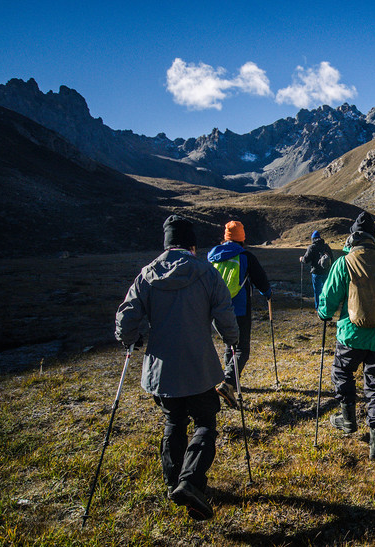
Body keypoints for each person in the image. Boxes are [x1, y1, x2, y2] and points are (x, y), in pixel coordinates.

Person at [114, 215, 239, 521]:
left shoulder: (147, 274)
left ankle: (174, 483)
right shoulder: (206, 272)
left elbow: (125, 319)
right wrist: (232, 341)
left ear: (167, 244)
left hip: (162, 368)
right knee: (206, 422)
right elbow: (225, 315)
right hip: (199, 367)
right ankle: (191, 481)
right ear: (192, 246)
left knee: (174, 421)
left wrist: (132, 340)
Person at [317, 212, 375, 460]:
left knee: (341, 373)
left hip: (350, 335)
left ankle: (347, 419)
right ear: (374, 238)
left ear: (352, 237)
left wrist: (323, 313)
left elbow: (328, 301)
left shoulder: (344, 262)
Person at [207, 221, 271, 408]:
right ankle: (228, 383)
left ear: (226, 236)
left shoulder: (213, 256)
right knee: (242, 348)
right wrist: (267, 293)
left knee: (230, 344)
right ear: (242, 238)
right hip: (239, 308)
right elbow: (261, 280)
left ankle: (227, 381)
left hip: (216, 309)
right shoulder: (245, 256)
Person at [301, 230, 334, 309]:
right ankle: (326, 307)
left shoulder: (312, 247)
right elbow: (332, 259)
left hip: (316, 273)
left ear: (313, 239)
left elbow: (306, 260)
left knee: (317, 291)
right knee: (326, 290)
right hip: (326, 272)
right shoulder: (326, 246)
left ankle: (318, 308)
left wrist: (301, 259)